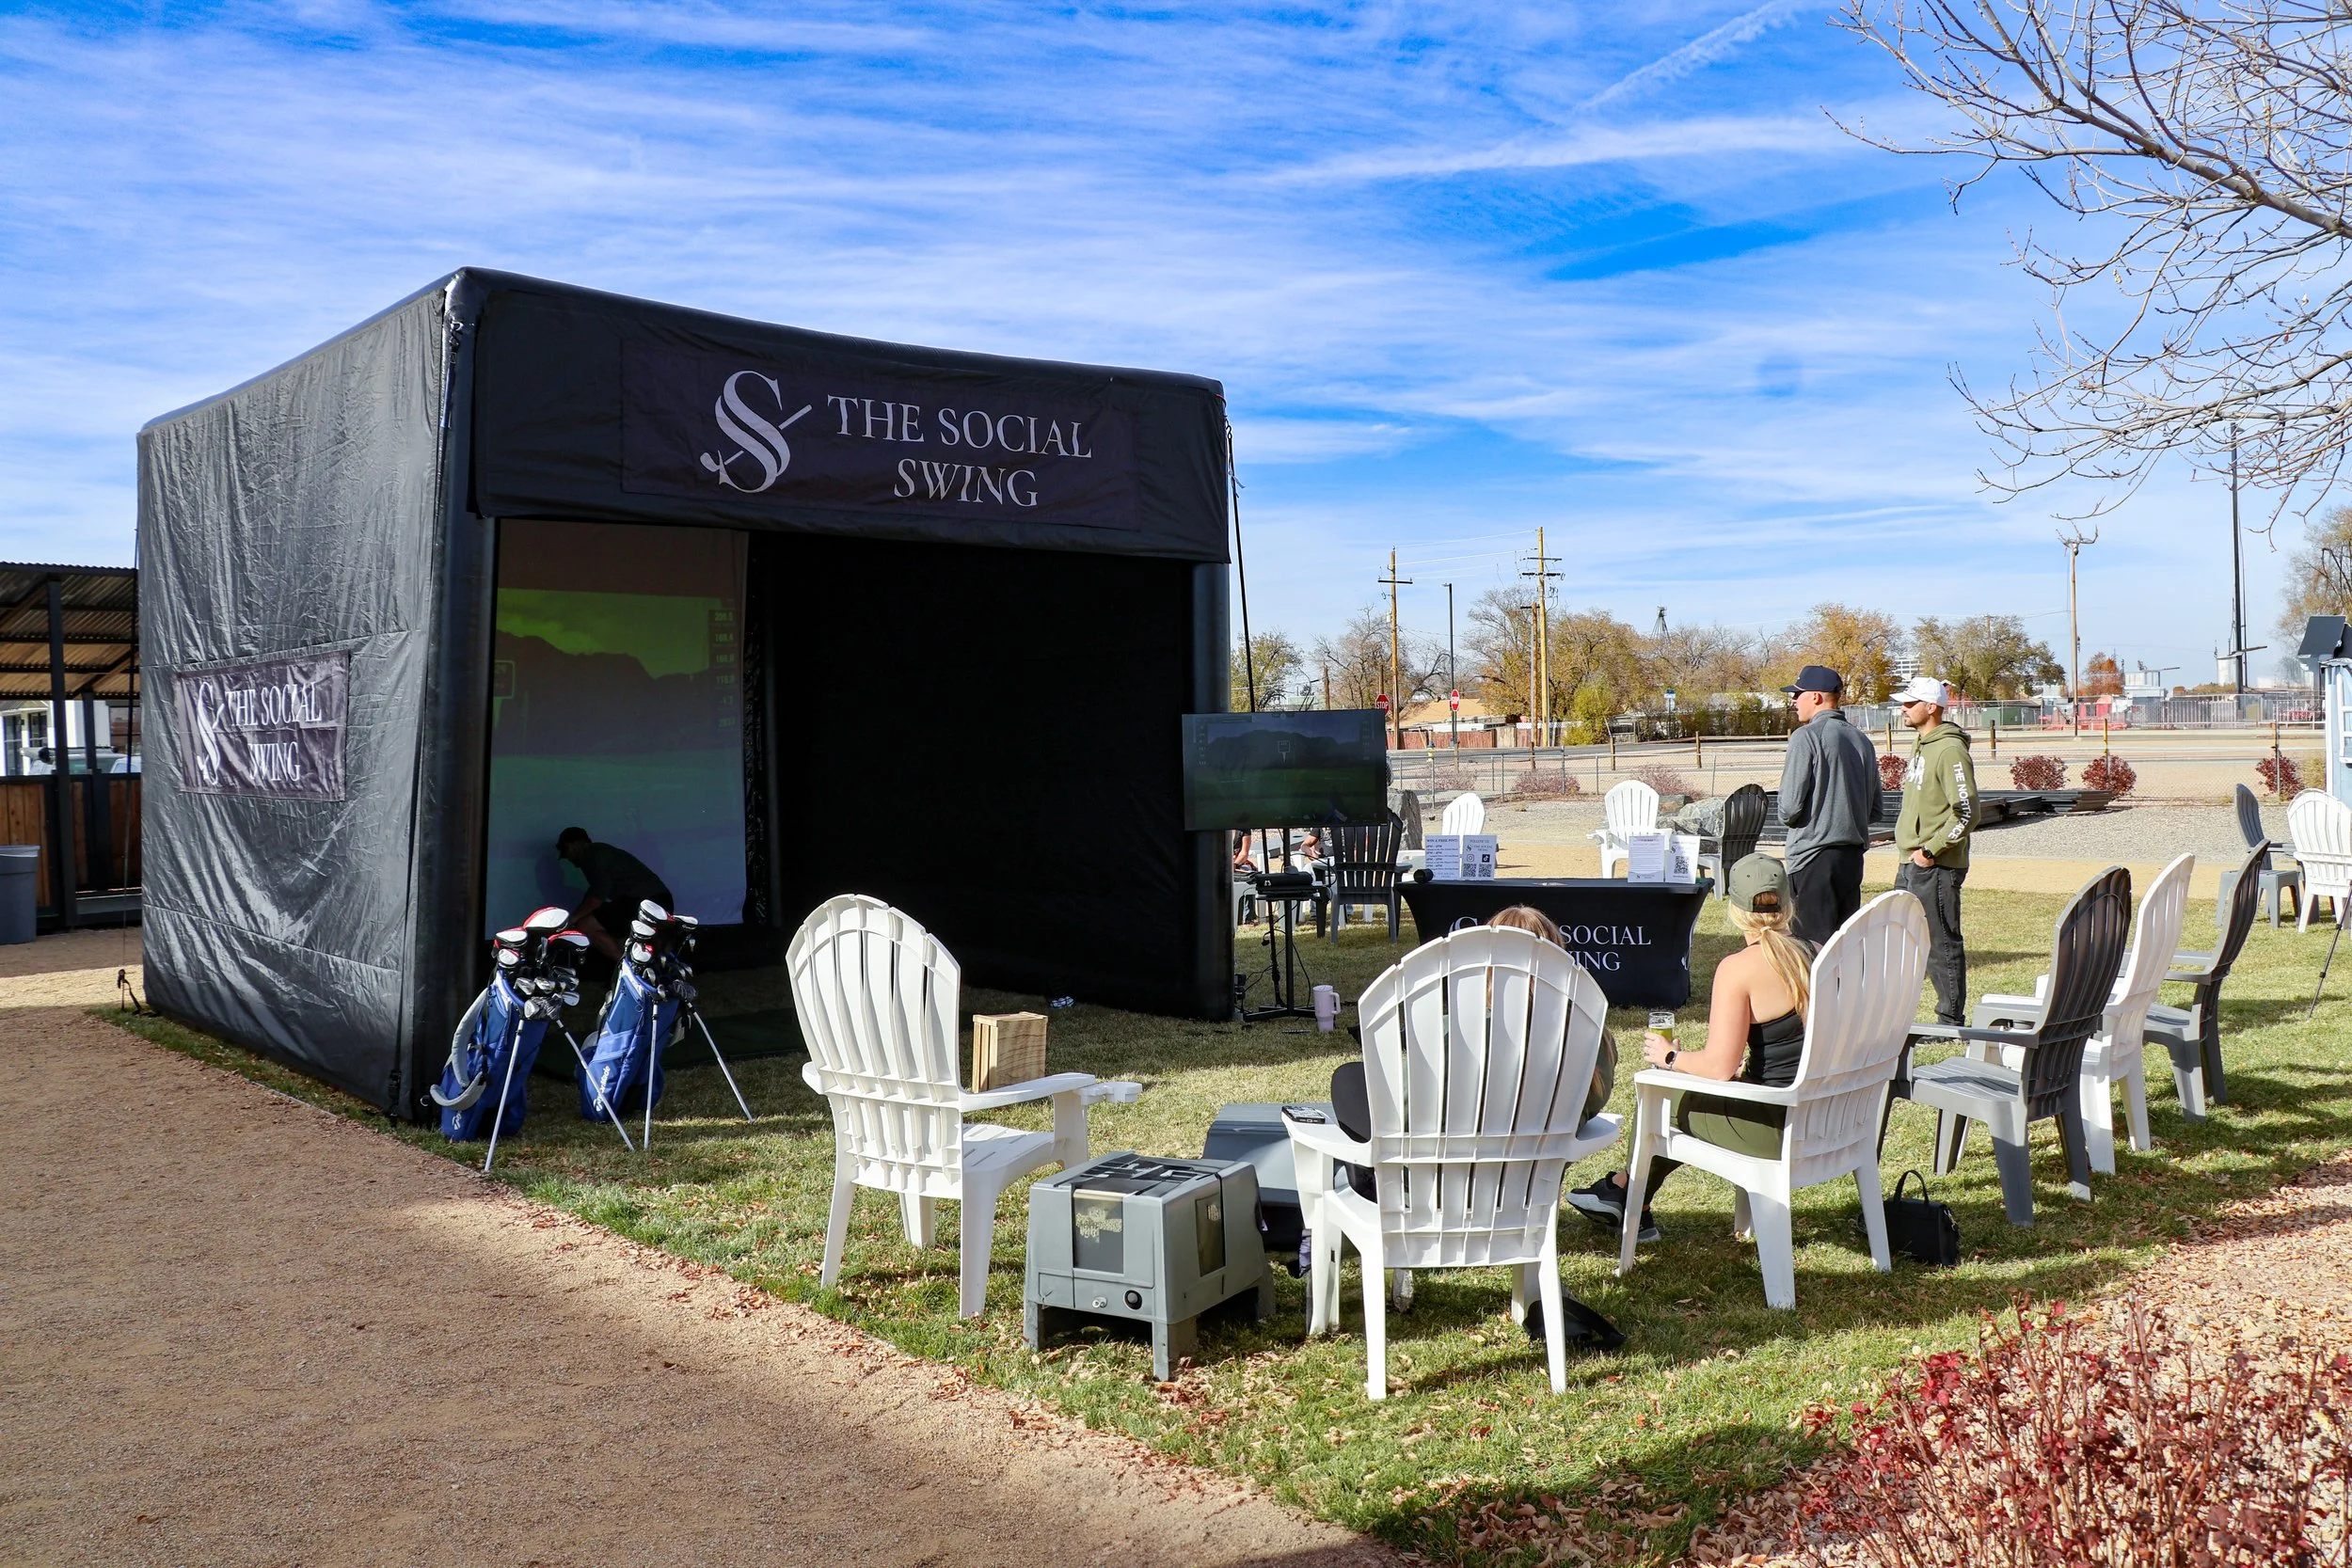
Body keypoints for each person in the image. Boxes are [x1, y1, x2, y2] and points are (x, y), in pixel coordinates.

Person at [1566, 855, 1814, 1244]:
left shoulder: (1740, 968)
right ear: (1788, 904)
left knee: (1663, 1099)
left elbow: (1719, 1067)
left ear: (1735, 910)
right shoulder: (1817, 953)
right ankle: (1621, 1190)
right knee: (1680, 1095)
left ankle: (1631, 1202)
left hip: (1773, 1127)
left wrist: (1670, 1058)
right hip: (1824, 1118)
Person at [1890, 675, 1978, 1024]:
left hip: (1935, 865)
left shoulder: (1949, 749)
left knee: (1940, 943)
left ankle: (1949, 1020)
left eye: (1910, 703)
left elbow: (1967, 811)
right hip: (1910, 861)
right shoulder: (1921, 744)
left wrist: (1931, 850)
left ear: (1931, 707)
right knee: (1903, 939)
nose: (1903, 709)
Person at [1776, 663, 1879, 945]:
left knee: (1811, 947)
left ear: (1816, 696)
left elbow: (1789, 808)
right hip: (1852, 859)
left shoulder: (1806, 736)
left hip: (1812, 858)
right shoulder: (1862, 740)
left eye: (1797, 694)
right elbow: (1875, 810)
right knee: (1843, 947)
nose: (1794, 701)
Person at [555, 827, 675, 963]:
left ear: (572, 845)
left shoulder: (593, 855)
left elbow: (595, 899)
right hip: (659, 901)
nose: (569, 859)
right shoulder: (604, 852)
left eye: (566, 851)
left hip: (643, 902)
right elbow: (594, 894)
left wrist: (570, 921)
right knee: (614, 931)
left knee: (586, 925)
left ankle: (628, 968)